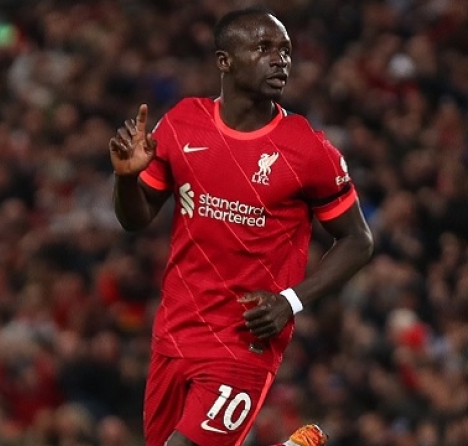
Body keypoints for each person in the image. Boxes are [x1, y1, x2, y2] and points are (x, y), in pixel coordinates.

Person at [108, 6, 373, 446]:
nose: (280, 60)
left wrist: (291, 301)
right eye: (264, 48)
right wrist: (125, 179)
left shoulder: (307, 149)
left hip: (244, 341)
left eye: (285, 51)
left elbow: (358, 241)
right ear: (224, 61)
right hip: (175, 332)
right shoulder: (182, 123)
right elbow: (134, 219)